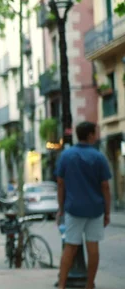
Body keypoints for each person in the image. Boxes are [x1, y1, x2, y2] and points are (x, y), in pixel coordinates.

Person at [55, 122, 111, 289]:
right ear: (90, 135)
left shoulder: (66, 156)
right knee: (93, 247)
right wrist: (107, 212)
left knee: (70, 247)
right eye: (95, 133)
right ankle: (89, 284)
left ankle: (62, 285)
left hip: (74, 208)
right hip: (95, 208)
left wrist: (61, 208)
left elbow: (60, 183)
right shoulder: (99, 157)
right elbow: (105, 187)